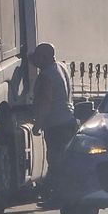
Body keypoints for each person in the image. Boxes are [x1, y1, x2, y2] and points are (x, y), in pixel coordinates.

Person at [29, 42, 78, 205]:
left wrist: (38, 124)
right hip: (68, 121)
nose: (35, 60)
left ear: (46, 57)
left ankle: (57, 197)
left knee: (55, 161)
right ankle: (61, 193)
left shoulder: (46, 76)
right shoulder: (61, 67)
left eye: (38, 56)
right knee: (63, 160)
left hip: (56, 124)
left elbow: (45, 102)